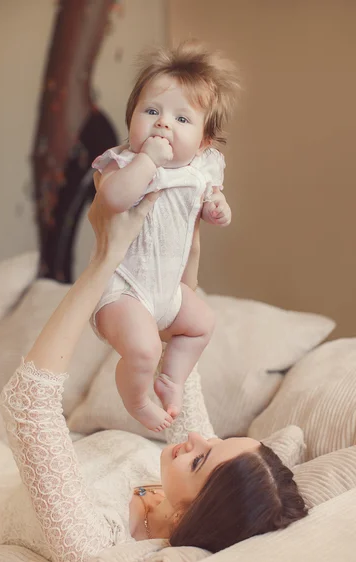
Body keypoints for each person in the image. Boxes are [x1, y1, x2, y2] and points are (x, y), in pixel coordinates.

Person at [0, 179, 308, 562]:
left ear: (190, 515)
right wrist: (189, 230)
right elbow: (174, 345)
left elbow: (27, 403)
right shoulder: (181, 479)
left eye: (202, 459)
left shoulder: (96, 542)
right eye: (219, 440)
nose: (197, 438)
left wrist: (104, 260)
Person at [90, 41, 240, 432]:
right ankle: (138, 400)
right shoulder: (123, 163)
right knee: (144, 348)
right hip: (123, 290)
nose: (163, 124)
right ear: (132, 119)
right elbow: (115, 199)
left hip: (168, 292)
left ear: (205, 141)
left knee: (202, 322)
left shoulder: (200, 170)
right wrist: (148, 160)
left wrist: (217, 208)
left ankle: (171, 378)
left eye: (182, 119)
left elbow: (209, 204)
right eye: (152, 111)